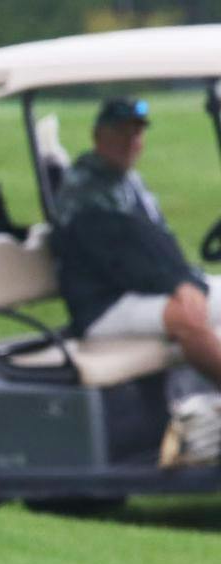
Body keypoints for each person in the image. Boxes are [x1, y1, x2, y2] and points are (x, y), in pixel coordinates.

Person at [50, 97, 221, 387]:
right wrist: (178, 285)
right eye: (120, 132)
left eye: (136, 133)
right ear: (98, 136)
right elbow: (123, 257)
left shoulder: (128, 182)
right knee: (187, 316)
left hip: (140, 289)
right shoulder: (86, 189)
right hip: (103, 303)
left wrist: (183, 279)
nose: (130, 141)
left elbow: (157, 245)